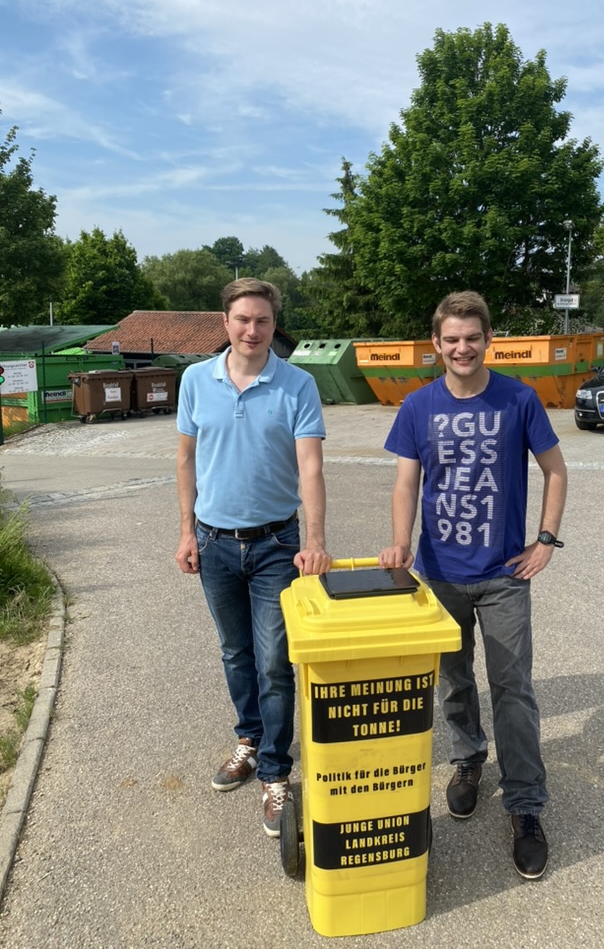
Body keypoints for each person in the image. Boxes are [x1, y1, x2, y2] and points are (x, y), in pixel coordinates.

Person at [378, 291, 567, 880]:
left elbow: (555, 470)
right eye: (452, 339)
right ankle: (467, 760)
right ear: (437, 344)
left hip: (504, 575)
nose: (462, 348)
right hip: (440, 574)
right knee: (454, 680)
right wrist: (401, 544)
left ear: (489, 340)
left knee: (513, 689)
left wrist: (545, 540)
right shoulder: (417, 406)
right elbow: (406, 483)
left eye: (472, 338)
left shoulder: (519, 399)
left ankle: (525, 805)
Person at [174, 278, 331, 837]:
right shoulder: (196, 380)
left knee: (273, 661)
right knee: (235, 652)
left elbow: (310, 466)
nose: (252, 330)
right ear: (225, 322)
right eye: (242, 319)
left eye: (262, 320)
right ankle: (249, 737)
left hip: (275, 546)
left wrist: (315, 539)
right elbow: (186, 460)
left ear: (273, 325)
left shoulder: (298, 385)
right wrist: (186, 532)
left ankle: (274, 771)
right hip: (214, 542)